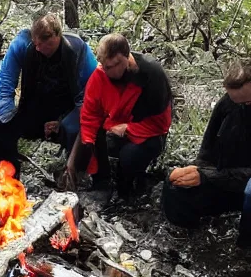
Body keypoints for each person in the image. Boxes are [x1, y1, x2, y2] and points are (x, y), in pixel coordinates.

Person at [0, 13, 98, 177]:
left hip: (67, 109)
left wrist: (62, 120)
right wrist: (5, 109)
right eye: (36, 43)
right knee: (0, 125)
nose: (39, 48)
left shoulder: (76, 48)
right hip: (33, 108)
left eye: (46, 43)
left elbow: (91, 90)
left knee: (74, 128)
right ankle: (9, 176)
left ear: (57, 36)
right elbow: (6, 80)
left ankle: (76, 173)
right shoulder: (22, 44)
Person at [64, 33, 172, 197]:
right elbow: (90, 115)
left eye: (110, 67)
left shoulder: (151, 75)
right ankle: (102, 184)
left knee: (129, 156)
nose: (104, 71)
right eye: (102, 65)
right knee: (93, 137)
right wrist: (89, 146)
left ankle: (131, 189)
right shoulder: (101, 75)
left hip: (150, 132)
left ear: (125, 59)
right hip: (117, 125)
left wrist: (129, 128)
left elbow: (161, 124)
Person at [162, 59, 251, 247]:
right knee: (174, 186)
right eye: (236, 101)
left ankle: (243, 249)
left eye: (248, 101)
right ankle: (185, 242)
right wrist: (196, 170)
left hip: (243, 183)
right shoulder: (228, 103)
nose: (242, 106)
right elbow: (208, 146)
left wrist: (208, 176)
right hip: (224, 177)